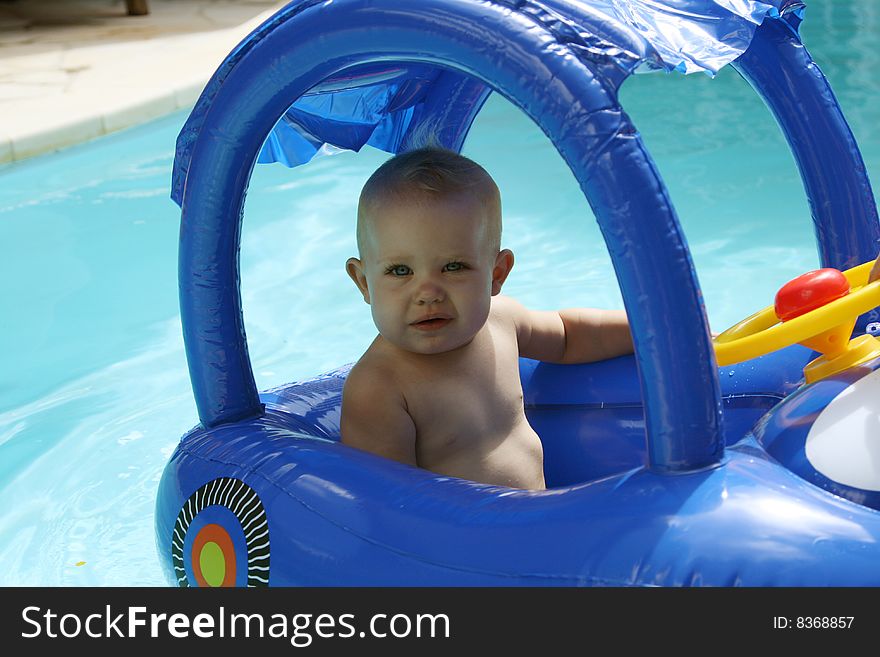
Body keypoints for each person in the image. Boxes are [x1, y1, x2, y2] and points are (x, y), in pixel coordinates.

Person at [340, 147, 633, 490]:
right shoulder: (378, 390)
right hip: (464, 542)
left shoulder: (502, 321)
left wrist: (650, 332)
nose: (428, 292)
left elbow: (570, 336)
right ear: (364, 283)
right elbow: (392, 506)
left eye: (453, 267)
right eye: (400, 271)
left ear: (497, 273)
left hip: (540, 519)